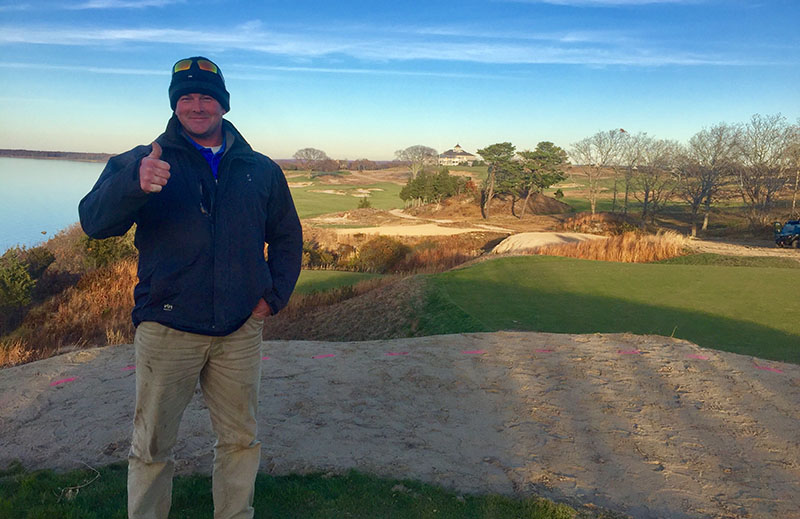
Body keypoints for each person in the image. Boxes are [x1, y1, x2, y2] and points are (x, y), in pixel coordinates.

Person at [79, 56, 303, 519]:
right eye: (186, 97)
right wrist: (133, 185)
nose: (197, 106)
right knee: (153, 446)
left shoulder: (260, 169)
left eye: (206, 97)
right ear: (174, 104)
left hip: (240, 331)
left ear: (222, 105)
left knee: (241, 440)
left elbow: (286, 237)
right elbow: (93, 222)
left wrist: (272, 297)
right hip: (167, 329)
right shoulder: (143, 160)